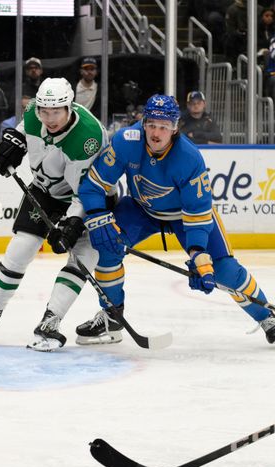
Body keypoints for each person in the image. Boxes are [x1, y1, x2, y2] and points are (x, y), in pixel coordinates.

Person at [75, 94, 275, 345]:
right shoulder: (127, 141)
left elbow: (198, 212)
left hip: (184, 217)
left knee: (224, 270)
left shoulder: (189, 158)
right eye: (151, 125)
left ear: (174, 128)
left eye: (163, 127)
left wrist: (198, 254)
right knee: (106, 248)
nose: (156, 133)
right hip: (141, 210)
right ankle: (111, 316)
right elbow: (93, 184)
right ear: (144, 123)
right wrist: (96, 216)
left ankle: (267, 316)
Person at [0, 78, 107, 351]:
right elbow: (25, 128)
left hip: (90, 199)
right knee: (21, 248)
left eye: (56, 112)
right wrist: (14, 141)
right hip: (44, 191)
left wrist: (72, 223)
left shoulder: (87, 138)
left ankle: (51, 321)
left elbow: (85, 191)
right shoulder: (33, 112)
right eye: (44, 112)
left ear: (70, 107)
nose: (49, 118)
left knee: (82, 256)